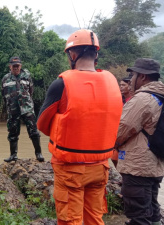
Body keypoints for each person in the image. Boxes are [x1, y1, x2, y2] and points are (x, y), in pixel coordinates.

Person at [37, 29, 123, 225]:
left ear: (72, 55)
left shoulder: (61, 84)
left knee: (70, 220)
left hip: (71, 168)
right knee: (94, 218)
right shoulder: (112, 83)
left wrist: (64, 132)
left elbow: (42, 123)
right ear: (96, 54)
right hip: (101, 167)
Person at [115, 58, 164, 225]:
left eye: (133, 75)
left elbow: (122, 129)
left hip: (138, 166)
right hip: (156, 163)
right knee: (152, 208)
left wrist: (111, 145)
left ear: (142, 77)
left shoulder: (143, 99)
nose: (131, 79)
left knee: (139, 214)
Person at [1, 57, 44, 162]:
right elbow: (4, 94)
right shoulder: (5, 79)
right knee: (12, 132)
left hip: (27, 108)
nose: (16, 68)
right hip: (13, 109)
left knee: (33, 131)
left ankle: (38, 154)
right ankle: (13, 155)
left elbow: (31, 91)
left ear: (20, 66)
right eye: (13, 66)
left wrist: (26, 102)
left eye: (17, 65)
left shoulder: (27, 76)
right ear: (9, 66)